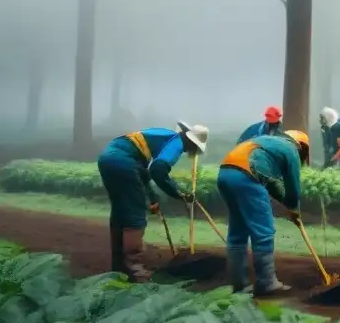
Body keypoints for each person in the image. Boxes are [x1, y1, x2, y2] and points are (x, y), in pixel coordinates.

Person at [96, 121, 210, 282]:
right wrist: (179, 193)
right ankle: (135, 269)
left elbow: (143, 173)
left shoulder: (164, 136)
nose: (189, 151)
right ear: (191, 142)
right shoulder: (177, 143)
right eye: (193, 148)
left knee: (120, 211)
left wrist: (153, 199)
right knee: (135, 215)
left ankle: (118, 266)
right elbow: (158, 170)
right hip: (124, 162)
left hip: (108, 158)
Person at [216, 129, 310, 295]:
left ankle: (240, 285)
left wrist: (289, 206)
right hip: (247, 176)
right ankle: (267, 282)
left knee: (238, 231)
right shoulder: (291, 150)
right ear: (301, 146)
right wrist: (294, 208)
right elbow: (293, 187)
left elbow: (272, 184)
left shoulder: (267, 141)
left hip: (225, 174)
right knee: (263, 232)